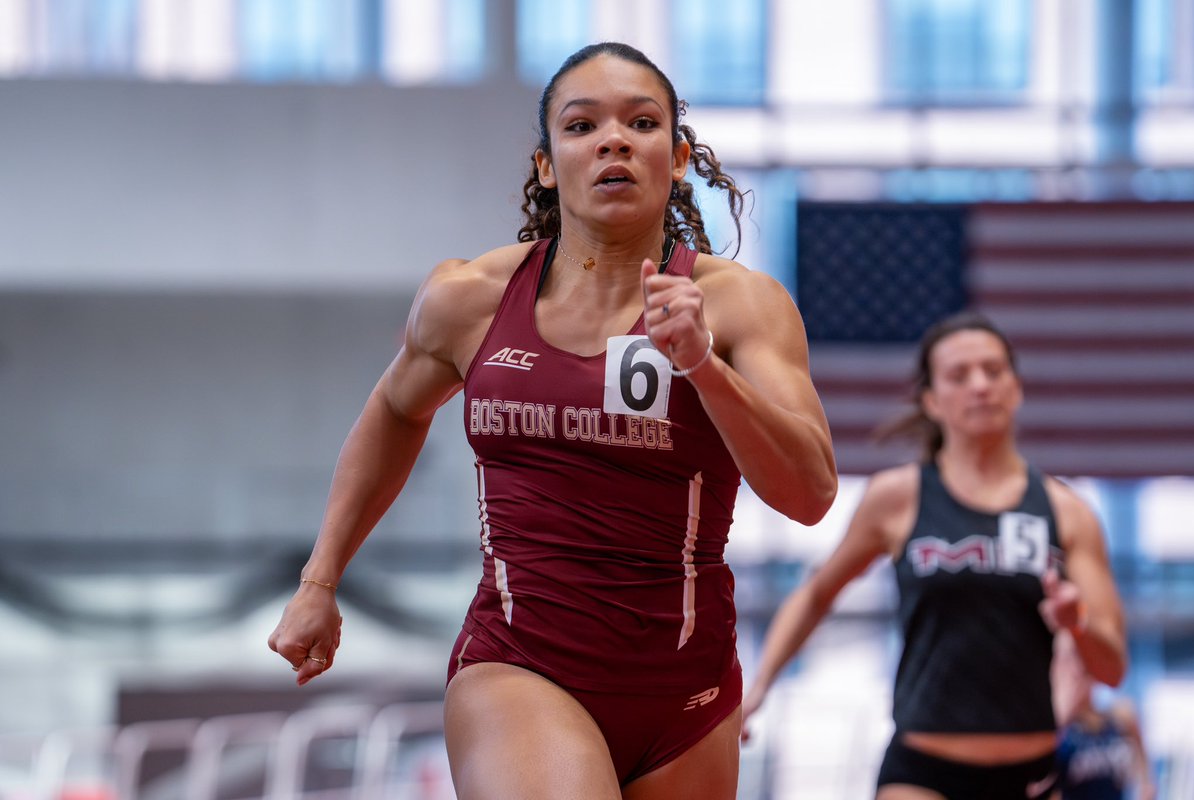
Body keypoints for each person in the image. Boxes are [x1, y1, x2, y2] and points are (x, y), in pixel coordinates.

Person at [267, 41, 837, 800]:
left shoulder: (741, 306)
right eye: (581, 126)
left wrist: (704, 365)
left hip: (687, 693)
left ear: (675, 157)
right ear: (546, 164)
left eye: (641, 123)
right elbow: (393, 413)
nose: (613, 140)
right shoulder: (468, 297)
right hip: (520, 660)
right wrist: (320, 579)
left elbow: (810, 494)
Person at [741, 311, 1128, 800]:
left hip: (1032, 771)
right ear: (931, 400)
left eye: (993, 371)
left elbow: (1112, 667)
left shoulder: (1067, 512)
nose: (980, 386)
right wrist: (758, 688)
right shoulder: (898, 497)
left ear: (1016, 387)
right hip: (923, 771)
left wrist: (1076, 621)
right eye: (960, 375)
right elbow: (817, 593)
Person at [1052, 630, 1156, 800]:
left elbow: (1144, 767)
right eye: (1070, 660)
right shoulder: (1058, 727)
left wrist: (1146, 784)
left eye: (1083, 661)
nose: (1078, 670)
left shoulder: (1121, 716)